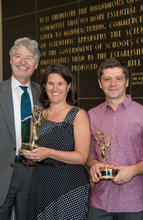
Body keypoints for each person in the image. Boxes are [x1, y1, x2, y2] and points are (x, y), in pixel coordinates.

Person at [87, 58, 143, 220]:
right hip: (100, 201)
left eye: (118, 78)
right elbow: (89, 155)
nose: (113, 83)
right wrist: (93, 165)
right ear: (100, 83)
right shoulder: (92, 115)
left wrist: (132, 170)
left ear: (126, 82)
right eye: (107, 79)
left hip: (133, 201)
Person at [23, 63, 91, 220]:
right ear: (45, 86)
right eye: (51, 83)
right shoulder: (37, 116)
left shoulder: (78, 114)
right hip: (41, 185)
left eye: (60, 83)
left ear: (68, 86)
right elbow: (31, 154)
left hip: (69, 186)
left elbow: (82, 157)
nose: (55, 88)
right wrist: (30, 156)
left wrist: (49, 153)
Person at [0, 37, 40, 220]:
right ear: (10, 60)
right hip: (2, 172)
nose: (23, 62)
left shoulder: (45, 95)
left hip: (33, 172)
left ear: (36, 64)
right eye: (18, 56)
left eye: (29, 58)